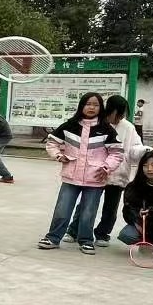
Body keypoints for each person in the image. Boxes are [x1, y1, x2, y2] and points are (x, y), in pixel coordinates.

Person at [37, 93, 124, 254]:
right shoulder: (70, 125)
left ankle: (85, 240)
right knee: (62, 209)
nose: (91, 108)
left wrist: (106, 167)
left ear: (101, 108)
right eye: (88, 104)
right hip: (70, 177)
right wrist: (58, 155)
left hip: (95, 179)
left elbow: (117, 153)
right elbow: (52, 142)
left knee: (88, 212)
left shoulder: (106, 129)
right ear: (81, 106)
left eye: (96, 105)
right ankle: (53, 238)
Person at [65, 94, 142, 245]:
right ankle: (73, 230)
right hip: (95, 174)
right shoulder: (96, 124)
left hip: (118, 175)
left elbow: (134, 148)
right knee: (86, 205)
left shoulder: (128, 127)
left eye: (122, 115)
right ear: (110, 110)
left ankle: (102, 234)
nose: (119, 118)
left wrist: (145, 151)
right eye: (118, 114)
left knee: (110, 209)